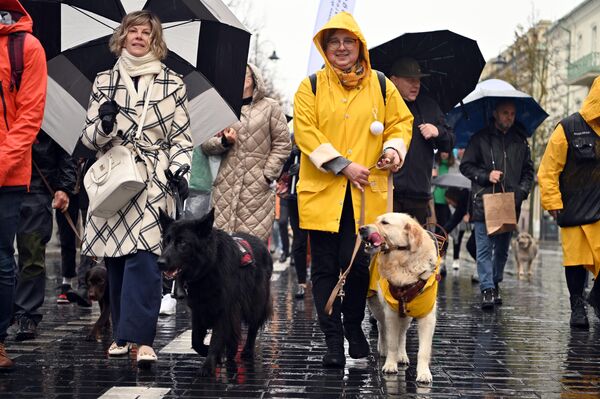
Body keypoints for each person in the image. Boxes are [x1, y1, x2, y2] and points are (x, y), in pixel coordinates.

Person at [293, 11, 413, 368]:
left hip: (366, 195)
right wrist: (343, 164)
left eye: (348, 41)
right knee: (325, 268)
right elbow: (305, 131)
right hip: (322, 192)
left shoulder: (380, 84)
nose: (342, 48)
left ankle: (354, 326)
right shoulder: (310, 86)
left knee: (359, 264)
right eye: (334, 42)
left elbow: (401, 122)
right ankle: (332, 340)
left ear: (360, 46)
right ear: (325, 48)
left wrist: (393, 149)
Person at [78, 10, 193, 366]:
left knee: (145, 257)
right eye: (133, 31)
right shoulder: (104, 81)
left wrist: (178, 171)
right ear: (123, 36)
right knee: (116, 258)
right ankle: (121, 334)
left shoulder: (173, 82)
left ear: (155, 39)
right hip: (114, 174)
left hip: (153, 178)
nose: (139, 37)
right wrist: (106, 123)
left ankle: (142, 340)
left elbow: (181, 137)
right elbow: (88, 138)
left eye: (146, 32)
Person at [0, 0, 47, 371]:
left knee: (4, 257)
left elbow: (29, 117)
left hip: (8, 175)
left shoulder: (26, 47)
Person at [201, 64, 291, 243]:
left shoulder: (270, 107)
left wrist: (267, 175)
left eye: (244, 75)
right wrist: (224, 141)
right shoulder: (223, 106)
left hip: (255, 188)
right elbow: (206, 144)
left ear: (253, 79)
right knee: (222, 247)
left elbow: (283, 144)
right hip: (225, 186)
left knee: (250, 248)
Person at [538, 77, 600, 329]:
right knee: (575, 261)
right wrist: (553, 202)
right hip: (574, 208)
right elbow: (549, 169)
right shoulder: (568, 127)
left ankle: (595, 297)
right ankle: (577, 306)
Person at [460, 100, 534, 310]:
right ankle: (487, 289)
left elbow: (529, 171)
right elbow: (466, 166)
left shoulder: (521, 141)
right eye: (505, 113)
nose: (509, 117)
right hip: (485, 201)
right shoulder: (480, 139)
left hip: (510, 203)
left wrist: (521, 192)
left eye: (512, 113)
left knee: (502, 250)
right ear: (495, 113)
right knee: (484, 248)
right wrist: (486, 175)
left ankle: (495, 282)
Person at [14, 131, 75, 341]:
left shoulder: (51, 111)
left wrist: (64, 187)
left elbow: (65, 148)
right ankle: (13, 306)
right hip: (7, 184)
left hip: (36, 188)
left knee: (32, 254)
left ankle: (27, 313)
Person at [389, 57, 454, 226]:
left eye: (418, 80)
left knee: (414, 249)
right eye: (410, 80)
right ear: (393, 81)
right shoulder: (383, 104)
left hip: (419, 195)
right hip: (388, 192)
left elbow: (450, 141)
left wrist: (437, 131)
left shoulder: (429, 106)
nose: (416, 85)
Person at [276, 137, 309, 298]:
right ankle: (301, 282)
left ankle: (321, 280)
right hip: (294, 197)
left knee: (319, 242)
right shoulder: (294, 138)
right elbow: (281, 170)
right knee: (299, 240)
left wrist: (304, 169)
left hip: (314, 196)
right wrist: (290, 157)